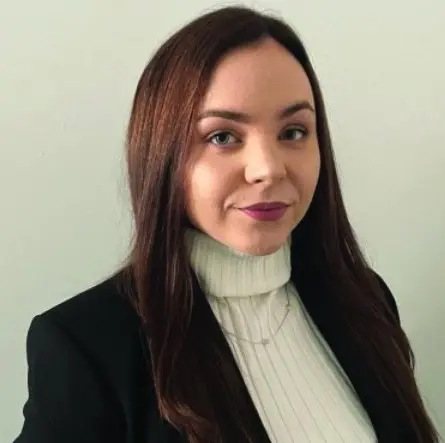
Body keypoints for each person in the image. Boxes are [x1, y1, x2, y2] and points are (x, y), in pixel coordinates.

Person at [14, 6, 439, 443]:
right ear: (164, 155)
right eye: (222, 137)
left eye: (293, 132)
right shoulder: (88, 348)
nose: (268, 169)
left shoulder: (367, 301)